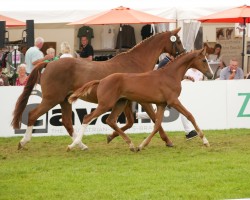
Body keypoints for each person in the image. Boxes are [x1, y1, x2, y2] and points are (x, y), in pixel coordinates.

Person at [136, 55, 199, 140]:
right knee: (180, 110)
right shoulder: (165, 62)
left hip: (167, 93)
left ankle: (137, 115)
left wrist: (187, 77)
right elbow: (158, 77)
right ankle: (189, 132)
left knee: (157, 114)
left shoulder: (170, 61)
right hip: (164, 93)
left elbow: (173, 77)